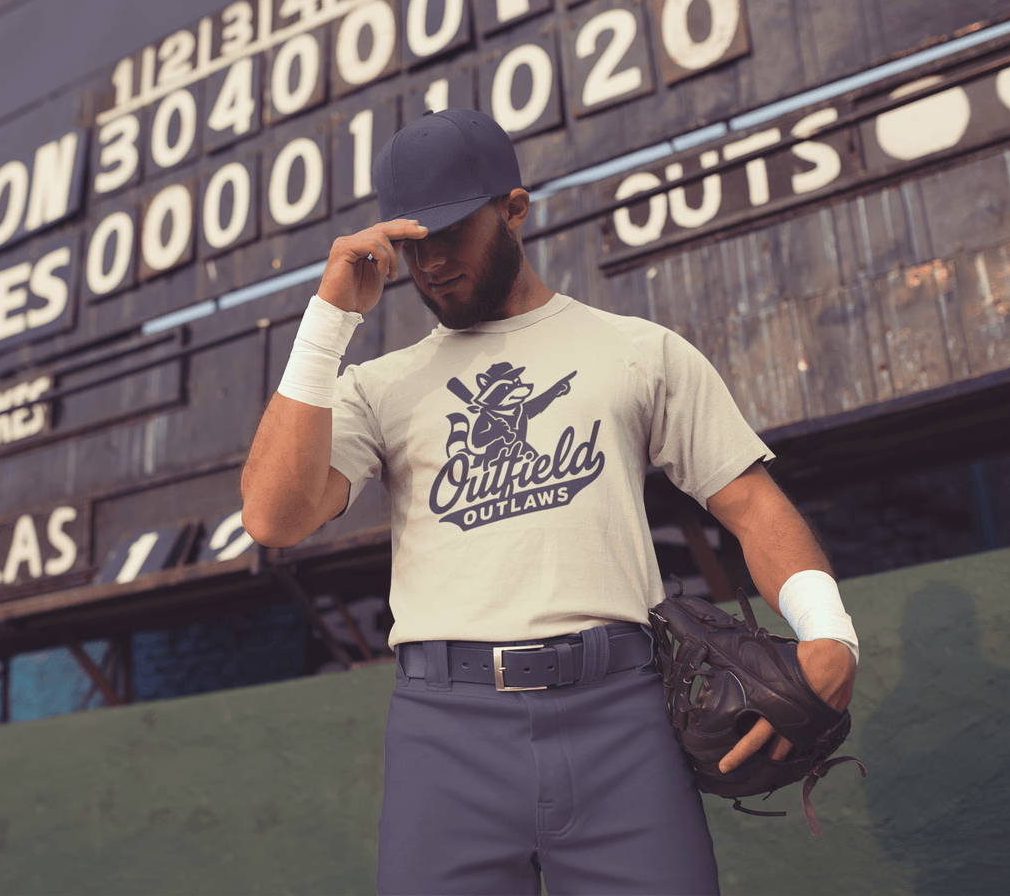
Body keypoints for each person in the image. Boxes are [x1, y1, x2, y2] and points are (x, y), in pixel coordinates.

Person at [240, 109, 859, 896]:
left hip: (621, 710)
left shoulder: (637, 351)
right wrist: (329, 321)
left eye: (450, 232)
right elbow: (273, 517)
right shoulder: (380, 386)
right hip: (445, 725)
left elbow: (749, 504)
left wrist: (831, 632)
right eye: (412, 243)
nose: (431, 262)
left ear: (514, 209)